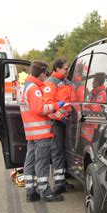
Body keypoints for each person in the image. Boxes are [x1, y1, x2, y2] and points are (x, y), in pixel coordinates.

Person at [20, 60, 65, 202]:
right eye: (46, 74)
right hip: (41, 131)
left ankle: (30, 191)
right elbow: (40, 109)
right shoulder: (33, 88)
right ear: (42, 73)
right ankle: (45, 192)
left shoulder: (24, 87)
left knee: (30, 160)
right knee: (42, 162)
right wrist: (56, 105)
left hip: (31, 131)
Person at [43, 59, 72, 195]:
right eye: (65, 68)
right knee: (57, 151)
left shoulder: (66, 81)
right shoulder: (50, 82)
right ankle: (59, 183)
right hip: (57, 122)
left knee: (66, 151)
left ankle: (64, 179)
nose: (67, 71)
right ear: (57, 68)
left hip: (69, 121)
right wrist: (60, 116)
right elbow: (49, 105)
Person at [81, 73, 107, 143]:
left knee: (85, 148)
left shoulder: (101, 94)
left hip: (90, 127)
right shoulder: (94, 93)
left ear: (97, 83)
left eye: (93, 81)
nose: (92, 82)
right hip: (87, 125)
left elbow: (95, 110)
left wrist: (83, 109)